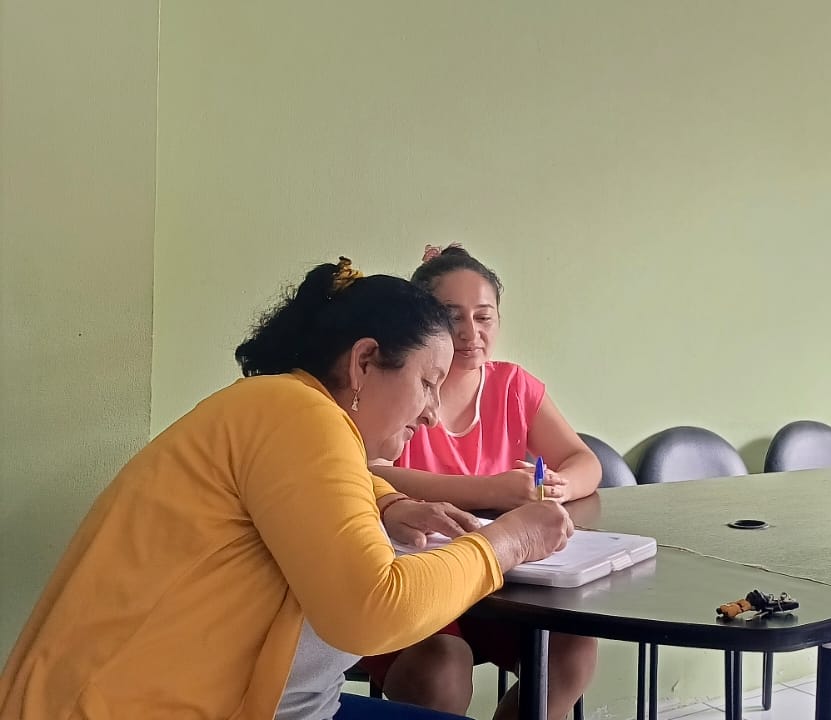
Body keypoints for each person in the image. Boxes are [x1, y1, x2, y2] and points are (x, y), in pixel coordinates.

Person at [0, 258, 574, 720]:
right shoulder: (300, 416)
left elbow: (324, 481)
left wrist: (389, 502)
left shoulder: (288, 409)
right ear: (365, 362)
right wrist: (508, 543)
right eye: (427, 382)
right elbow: (373, 610)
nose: (430, 412)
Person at [358, 245, 601, 720]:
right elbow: (365, 470)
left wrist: (559, 486)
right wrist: (489, 490)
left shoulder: (513, 386)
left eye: (484, 317)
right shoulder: (397, 383)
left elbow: (584, 461)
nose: (471, 333)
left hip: (501, 584)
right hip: (414, 584)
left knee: (572, 649)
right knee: (443, 667)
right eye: (453, 317)